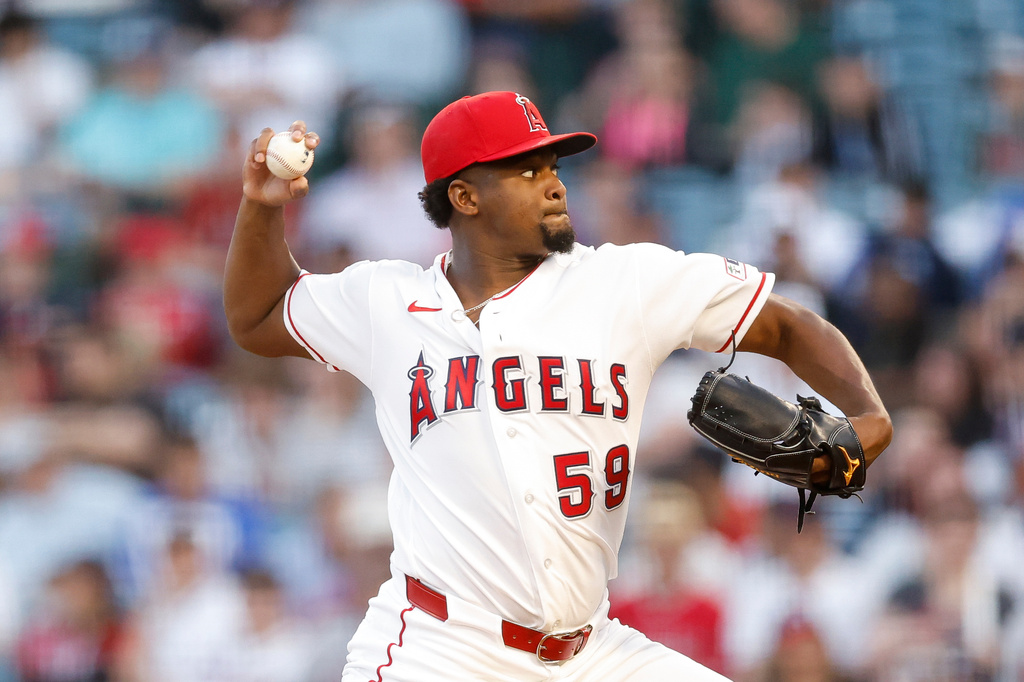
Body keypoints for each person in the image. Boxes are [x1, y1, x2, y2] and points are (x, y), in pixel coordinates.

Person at [223, 91, 892, 680]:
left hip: (590, 651)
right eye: (525, 170)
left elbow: (789, 326)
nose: (554, 184)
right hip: (443, 648)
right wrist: (260, 206)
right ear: (464, 196)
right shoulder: (387, 302)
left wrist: (868, 419)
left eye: (552, 167)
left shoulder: (623, 283)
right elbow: (256, 316)